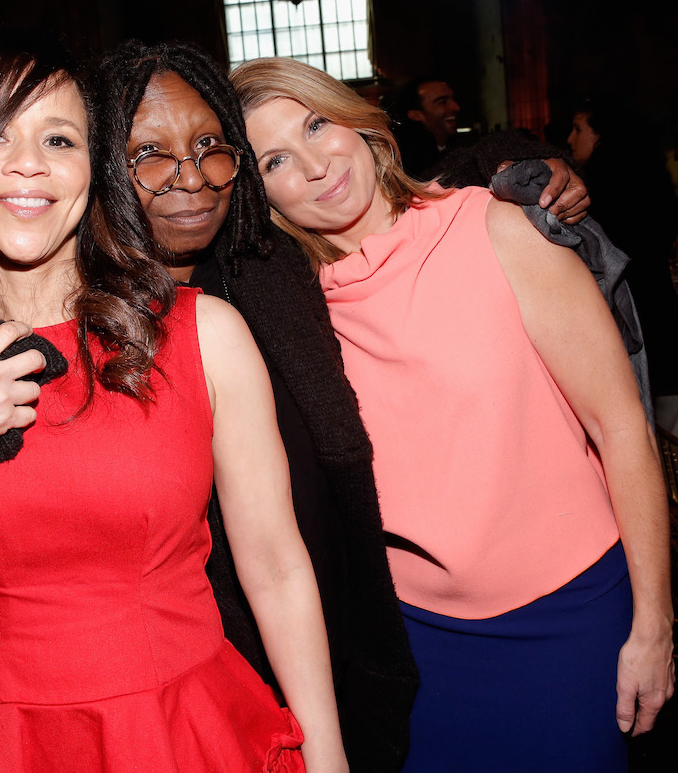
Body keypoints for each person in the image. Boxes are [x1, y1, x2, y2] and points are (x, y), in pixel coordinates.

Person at [93, 39, 596, 773]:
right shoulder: (76, 321)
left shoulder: (267, 271)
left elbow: (393, 200)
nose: (192, 177)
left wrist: (522, 161)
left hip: (354, 657)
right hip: (176, 688)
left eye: (209, 147)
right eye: (149, 153)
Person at [0, 31, 346, 772]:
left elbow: (276, 567)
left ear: (94, 167)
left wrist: (328, 755)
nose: (27, 164)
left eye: (57, 137)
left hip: (187, 729)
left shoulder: (203, 333)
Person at [233, 57, 674, 772]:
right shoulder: (291, 316)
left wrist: (654, 624)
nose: (316, 165)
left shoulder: (496, 229)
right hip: (416, 643)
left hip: (568, 616)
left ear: (362, 126)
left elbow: (621, 427)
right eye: (277, 159)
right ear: (262, 196)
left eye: (318, 124)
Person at [568, 98, 678, 397]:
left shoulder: (597, 189)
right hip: (656, 308)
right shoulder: (649, 176)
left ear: (599, 136)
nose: (570, 139)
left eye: (577, 129)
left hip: (625, 317)